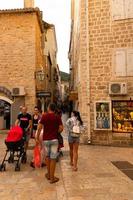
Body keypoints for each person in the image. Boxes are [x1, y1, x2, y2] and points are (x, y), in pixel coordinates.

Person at [36, 103, 63, 184]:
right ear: (54, 109)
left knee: (47, 157)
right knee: (53, 158)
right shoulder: (57, 117)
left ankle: (48, 174)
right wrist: (55, 131)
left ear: (49, 108)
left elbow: (39, 127)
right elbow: (61, 128)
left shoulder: (44, 116)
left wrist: (37, 137)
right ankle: (52, 178)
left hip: (46, 140)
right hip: (54, 140)